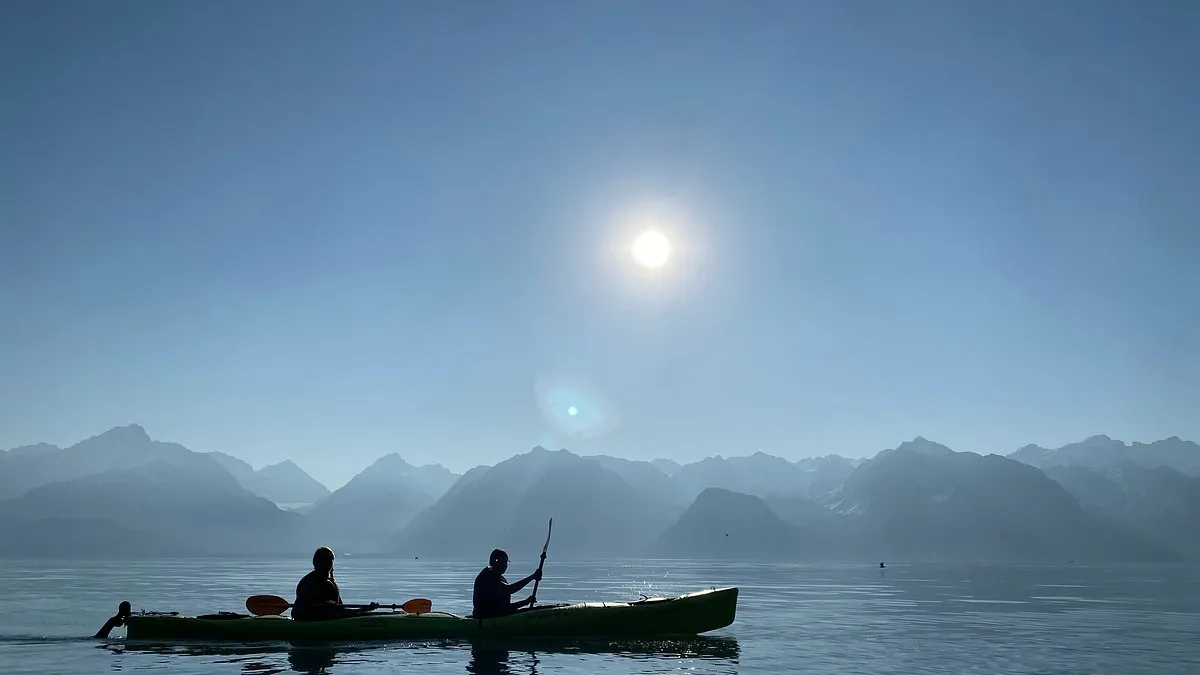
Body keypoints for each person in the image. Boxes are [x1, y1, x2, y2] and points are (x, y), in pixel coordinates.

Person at [293, 546, 378, 621]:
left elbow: (341, 608)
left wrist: (364, 609)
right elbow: (299, 612)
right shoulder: (309, 583)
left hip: (331, 617)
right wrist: (324, 606)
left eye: (329, 561)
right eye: (324, 561)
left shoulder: (331, 585)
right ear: (316, 563)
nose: (327, 565)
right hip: (311, 620)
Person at [471, 548, 541, 618]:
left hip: (499, 614)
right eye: (501, 562)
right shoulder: (486, 577)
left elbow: (506, 607)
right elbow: (509, 589)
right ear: (493, 562)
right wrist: (532, 577)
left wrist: (525, 602)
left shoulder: (501, 578)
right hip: (485, 617)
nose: (504, 565)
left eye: (505, 562)